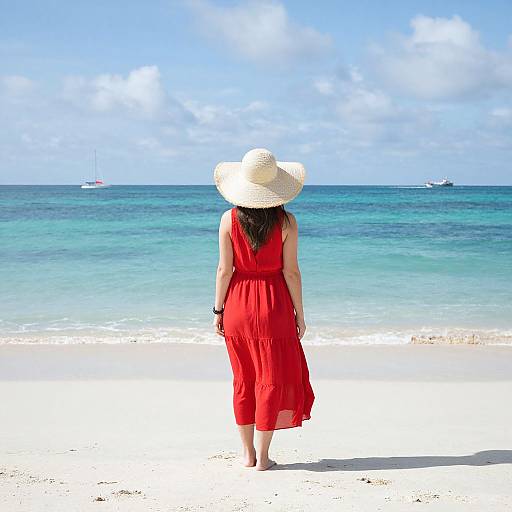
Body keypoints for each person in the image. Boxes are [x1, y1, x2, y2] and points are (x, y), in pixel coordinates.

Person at [212, 147, 315, 471]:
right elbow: (291, 272)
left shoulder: (228, 220)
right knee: (270, 379)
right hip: (274, 305)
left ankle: (246, 454)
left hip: (238, 305)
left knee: (243, 380)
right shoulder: (287, 222)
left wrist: (218, 311)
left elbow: (224, 271)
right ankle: (264, 456)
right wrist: (300, 313)